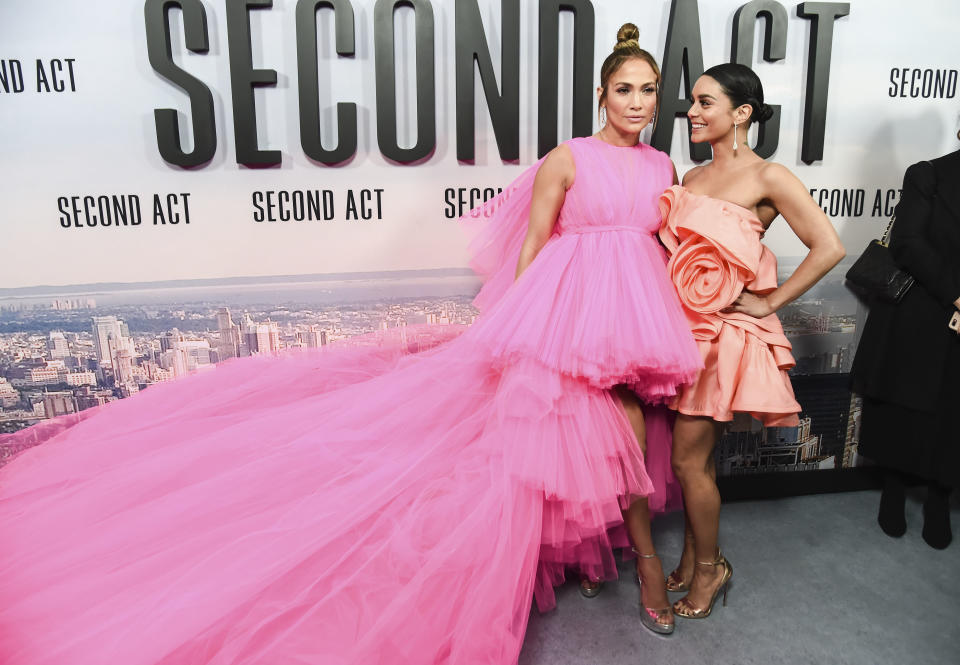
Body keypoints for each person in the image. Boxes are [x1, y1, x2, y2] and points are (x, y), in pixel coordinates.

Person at [0, 25, 702, 663]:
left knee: (619, 431)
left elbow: (660, 241)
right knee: (582, 430)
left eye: (647, 90)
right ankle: (641, 562)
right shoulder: (568, 157)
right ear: (602, 93)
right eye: (624, 89)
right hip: (569, 311)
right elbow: (534, 245)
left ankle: (597, 555)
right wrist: (526, 326)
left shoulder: (662, 166)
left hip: (637, 312)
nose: (637, 102)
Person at [658, 63, 845, 619]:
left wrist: (768, 301)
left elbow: (828, 246)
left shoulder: (769, 177)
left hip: (726, 338)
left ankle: (711, 570)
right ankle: (695, 557)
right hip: (685, 333)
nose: (692, 111)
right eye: (692, 101)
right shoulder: (690, 180)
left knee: (688, 462)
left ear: (741, 113)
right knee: (697, 462)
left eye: (706, 102)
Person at [850, 140, 960, 550]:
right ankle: (892, 492)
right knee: (902, 408)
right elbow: (908, 243)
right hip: (918, 312)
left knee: (954, 415)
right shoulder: (927, 173)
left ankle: (939, 500)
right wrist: (956, 295)